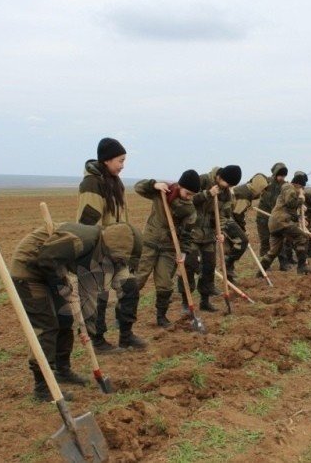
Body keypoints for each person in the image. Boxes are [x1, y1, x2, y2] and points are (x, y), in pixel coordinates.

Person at [10, 222, 141, 400]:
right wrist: (62, 287)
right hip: (29, 270)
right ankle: (42, 386)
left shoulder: (99, 250)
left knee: (65, 320)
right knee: (47, 326)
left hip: (50, 271)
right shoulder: (81, 241)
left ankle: (62, 370)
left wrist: (87, 325)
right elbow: (45, 261)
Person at [76, 137, 131, 352]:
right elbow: (89, 222)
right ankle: (97, 341)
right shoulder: (92, 183)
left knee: (129, 288)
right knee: (98, 296)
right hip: (99, 249)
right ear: (107, 160)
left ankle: (127, 335)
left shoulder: (115, 182)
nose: (122, 165)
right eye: (120, 160)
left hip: (116, 249)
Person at [134, 170, 200, 327]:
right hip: (150, 242)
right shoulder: (163, 192)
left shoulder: (190, 210)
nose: (189, 197)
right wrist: (154, 184)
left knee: (165, 283)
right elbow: (138, 187)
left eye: (192, 195)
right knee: (138, 279)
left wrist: (183, 252)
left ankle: (161, 317)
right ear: (180, 186)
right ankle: (123, 314)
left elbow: (188, 234)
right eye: (187, 193)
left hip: (169, 249)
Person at [178, 165, 242, 312]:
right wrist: (207, 194)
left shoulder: (226, 193)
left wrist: (222, 232)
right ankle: (185, 302)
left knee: (209, 266)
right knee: (189, 265)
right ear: (219, 177)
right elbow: (187, 200)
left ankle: (204, 302)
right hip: (191, 233)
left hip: (209, 234)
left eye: (231, 185)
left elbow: (225, 215)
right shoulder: (202, 180)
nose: (228, 187)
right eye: (228, 183)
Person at [260, 172, 311, 275]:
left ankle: (260, 272)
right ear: (297, 184)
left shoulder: (288, 189)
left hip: (275, 223)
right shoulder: (290, 188)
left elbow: (288, 210)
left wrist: (300, 219)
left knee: (274, 250)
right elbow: (291, 203)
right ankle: (302, 266)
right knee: (302, 237)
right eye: (301, 187)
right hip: (281, 222)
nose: (301, 190)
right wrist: (301, 198)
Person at [226, 173, 269, 282]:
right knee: (242, 241)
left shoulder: (247, 190)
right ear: (258, 186)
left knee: (232, 246)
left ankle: (229, 276)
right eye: (262, 189)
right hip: (226, 218)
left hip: (230, 217)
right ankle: (228, 264)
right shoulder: (245, 194)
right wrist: (243, 230)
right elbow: (237, 214)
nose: (262, 192)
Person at [256, 163, 288, 257]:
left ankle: (283, 263)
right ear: (275, 173)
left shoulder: (285, 186)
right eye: (280, 175)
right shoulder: (266, 182)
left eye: (283, 175)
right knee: (265, 240)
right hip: (263, 216)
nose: (281, 178)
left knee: (280, 239)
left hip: (277, 217)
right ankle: (264, 261)